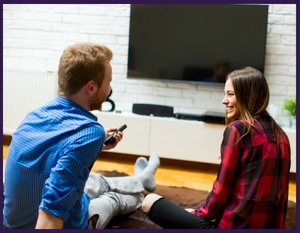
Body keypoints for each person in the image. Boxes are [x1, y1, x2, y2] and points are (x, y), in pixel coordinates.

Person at [2, 43, 160, 229]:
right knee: (115, 199)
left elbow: (56, 154)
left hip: (13, 223)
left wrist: (98, 146)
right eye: (108, 82)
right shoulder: (90, 132)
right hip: (63, 224)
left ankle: (143, 178)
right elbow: (53, 206)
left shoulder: (35, 115)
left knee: (95, 180)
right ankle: (141, 186)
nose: (109, 89)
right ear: (91, 87)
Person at [142, 67, 291, 229]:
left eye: (230, 94)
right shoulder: (281, 135)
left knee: (149, 201)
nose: (224, 100)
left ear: (247, 96)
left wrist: (198, 214)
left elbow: (221, 191)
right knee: (191, 212)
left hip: (232, 227)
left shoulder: (239, 130)